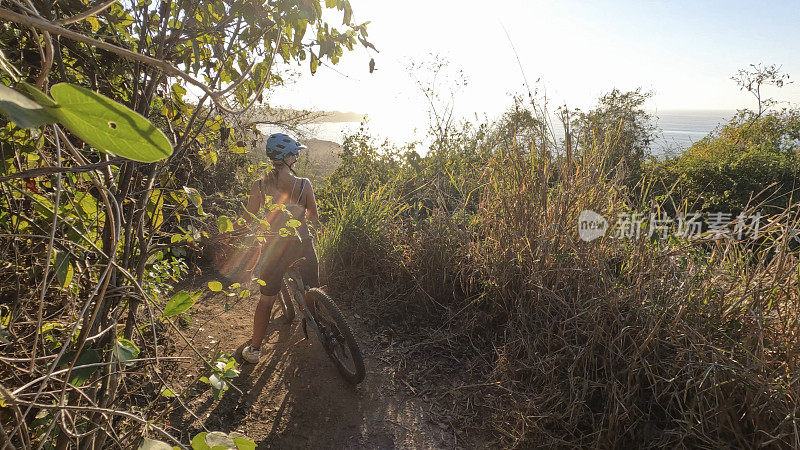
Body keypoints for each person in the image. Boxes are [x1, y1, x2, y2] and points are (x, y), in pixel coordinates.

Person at [241, 133, 320, 364]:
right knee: (313, 289)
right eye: (294, 153)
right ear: (288, 158)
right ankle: (316, 318)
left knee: (266, 301)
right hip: (303, 244)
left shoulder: (259, 185)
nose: (296, 156)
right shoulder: (304, 184)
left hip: (274, 250)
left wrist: (231, 232)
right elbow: (313, 215)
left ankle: (255, 349)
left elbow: (248, 218)